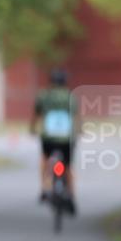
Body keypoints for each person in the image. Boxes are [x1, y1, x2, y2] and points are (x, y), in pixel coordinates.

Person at [30, 68, 78, 214]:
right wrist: (80, 130)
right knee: (69, 166)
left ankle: (44, 188)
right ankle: (71, 194)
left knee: (44, 159)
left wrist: (32, 128)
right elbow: (76, 117)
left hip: (49, 138)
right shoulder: (70, 96)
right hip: (66, 138)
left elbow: (36, 114)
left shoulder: (44, 96)